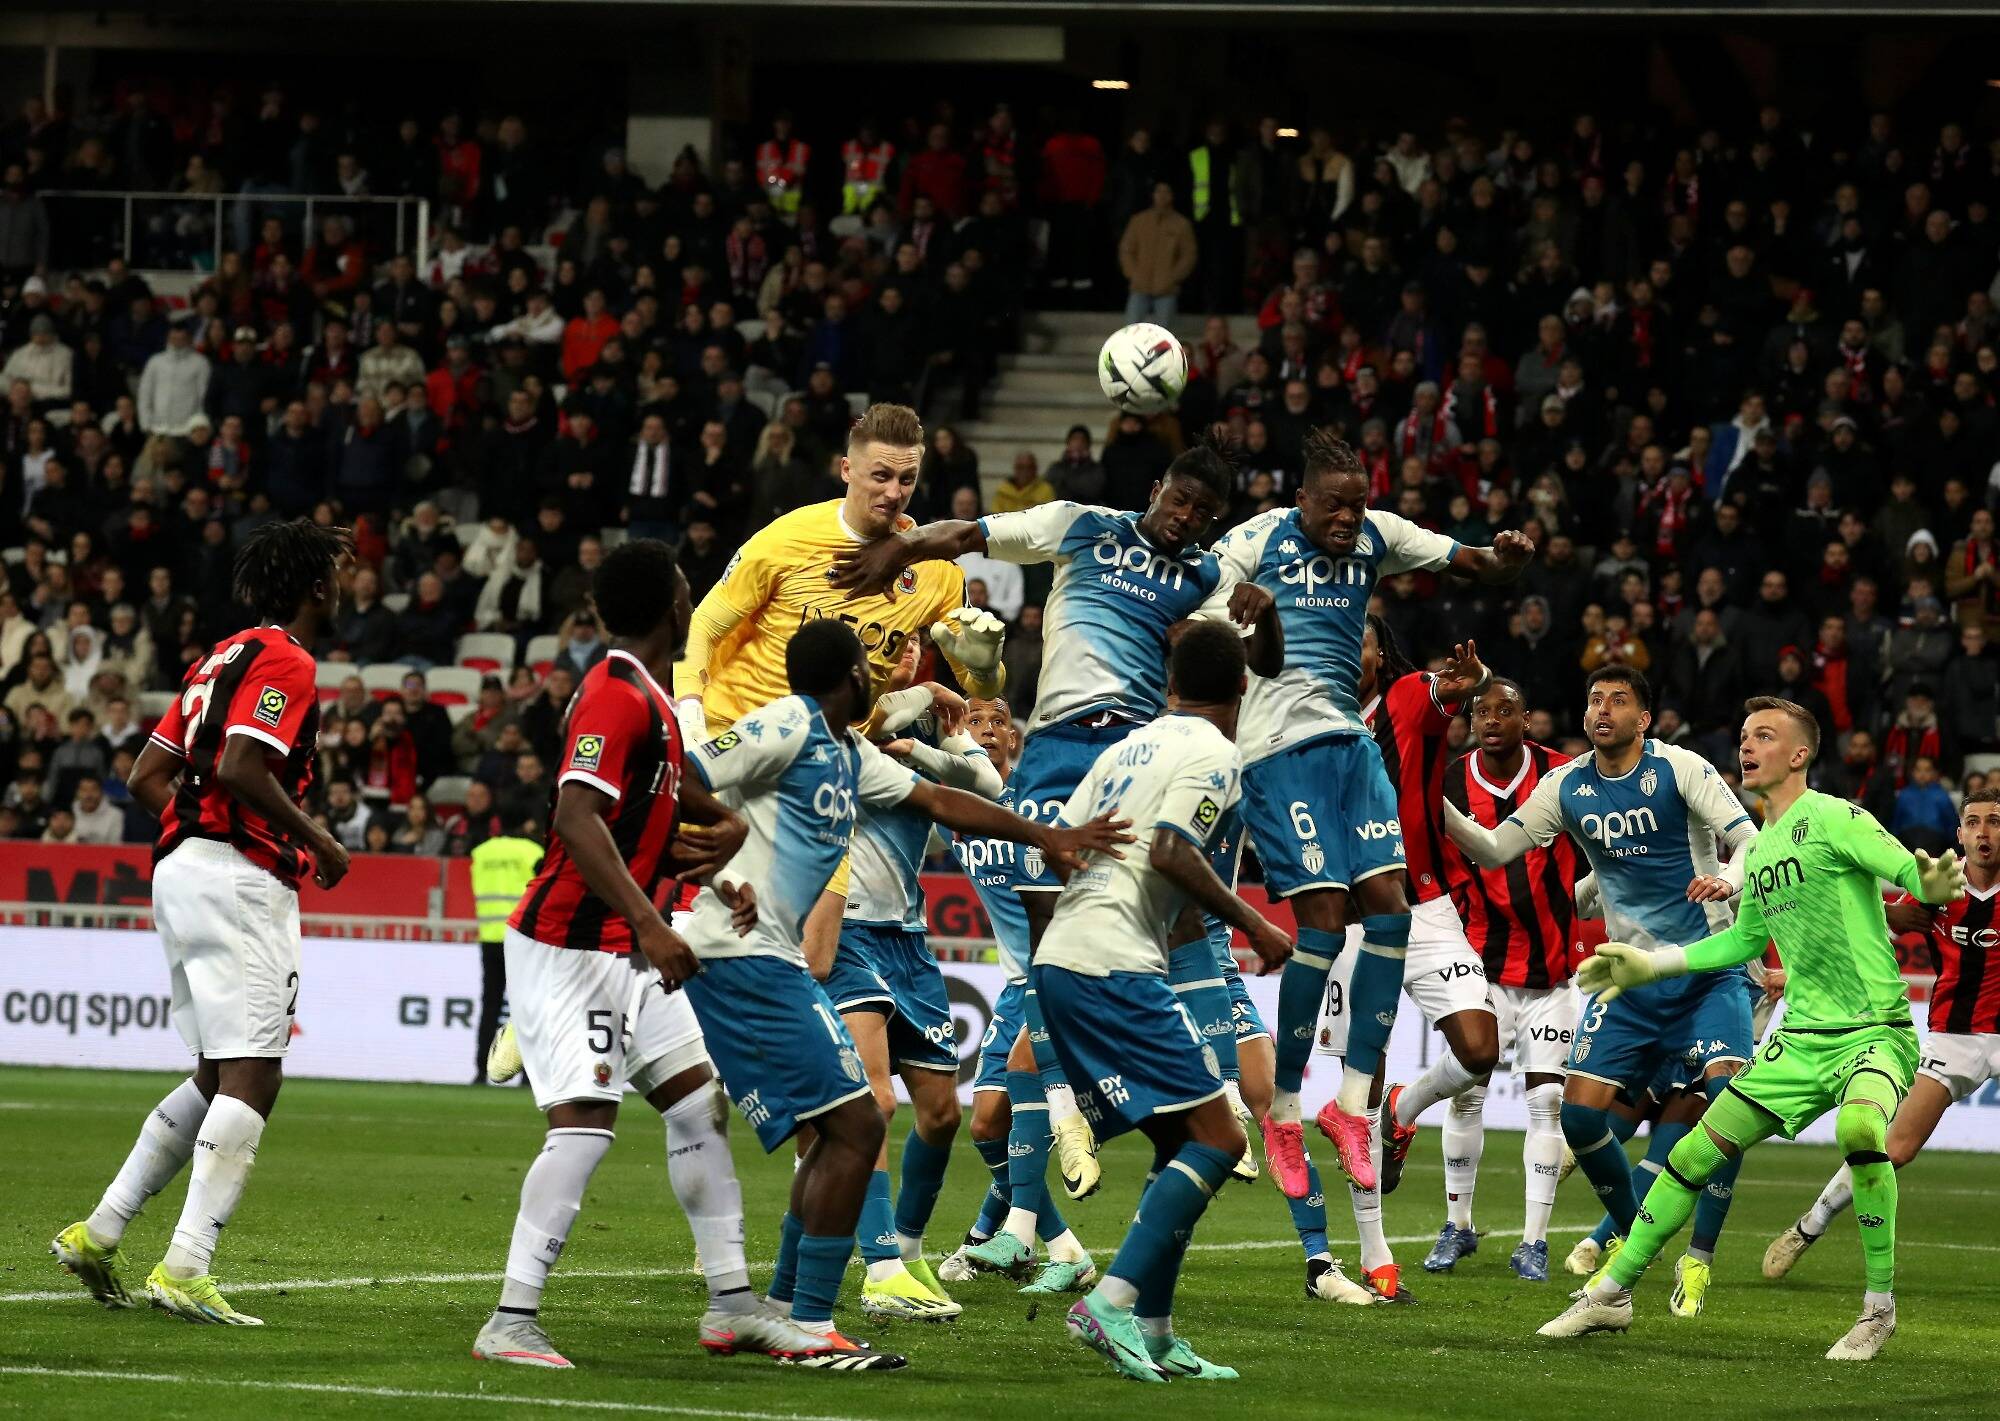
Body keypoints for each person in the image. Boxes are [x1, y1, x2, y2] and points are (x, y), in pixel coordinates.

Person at [829, 436, 1284, 1199]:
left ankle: (1205, 1091)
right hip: (1059, 747)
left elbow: (1254, 661)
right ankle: (1073, 1105)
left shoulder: (1206, 576)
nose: (1186, 519)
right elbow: (973, 536)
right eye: (1180, 501)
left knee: (1156, 924)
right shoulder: (1084, 524)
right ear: (1155, 486)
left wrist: (1261, 617)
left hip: (1135, 756)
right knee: (1048, 926)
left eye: (1204, 512)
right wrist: (897, 549)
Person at [676, 618, 1124, 1364]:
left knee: (850, 1125)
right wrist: (722, 830)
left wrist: (1045, 837)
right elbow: (686, 769)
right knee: (858, 1124)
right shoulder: (785, 723)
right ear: (849, 675)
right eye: (867, 668)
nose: (877, 678)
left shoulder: (847, 753)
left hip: (772, 957)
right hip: (739, 952)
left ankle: (774, 1309)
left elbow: (945, 802)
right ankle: (811, 1317)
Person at [472, 539, 831, 1370]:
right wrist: (649, 922)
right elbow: (573, 816)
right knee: (586, 1128)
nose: (689, 595)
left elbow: (641, 824)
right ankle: (511, 1319)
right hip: (572, 942)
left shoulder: (652, 700)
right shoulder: (613, 694)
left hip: (623, 944)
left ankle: (732, 1305)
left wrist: (715, 870)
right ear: (674, 606)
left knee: (700, 1103)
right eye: (683, 587)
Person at [1540, 697, 1965, 1361]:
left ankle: (1878, 1309)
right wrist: (1651, 963)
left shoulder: (1835, 816)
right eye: (1743, 735)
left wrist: (1931, 882)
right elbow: (1740, 941)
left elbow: (1911, 871)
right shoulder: (1760, 851)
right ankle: (1612, 1293)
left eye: (1765, 735)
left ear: (1799, 754)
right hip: (1799, 1045)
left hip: (1875, 1032)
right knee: (1689, 1157)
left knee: (1860, 1130)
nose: (1747, 745)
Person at [1207, 430, 1531, 1268]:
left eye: (1358, 501)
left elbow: (1468, 561)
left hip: (1350, 751)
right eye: (1335, 504)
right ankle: (1282, 1110)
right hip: (1280, 751)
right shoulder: (1251, 543)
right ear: (1302, 500)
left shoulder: (1380, 535)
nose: (1350, 517)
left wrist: (1502, 554)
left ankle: (1352, 1106)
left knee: (1387, 908)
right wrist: (1248, 616)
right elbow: (1208, 626)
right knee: (1322, 919)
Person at [53, 519, 355, 1324]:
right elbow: (239, 764)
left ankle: (100, 1229)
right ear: (316, 583)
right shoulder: (287, 658)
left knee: (218, 1071)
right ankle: (186, 1265)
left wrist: (197, 826)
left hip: (181, 870)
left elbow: (147, 774)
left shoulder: (216, 657)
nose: (349, 583)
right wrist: (309, 835)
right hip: (234, 878)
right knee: (256, 1072)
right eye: (342, 571)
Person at [1444, 666, 1759, 1318]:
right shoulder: (1567, 785)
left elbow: (1750, 839)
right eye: (1594, 699)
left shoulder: (1681, 770)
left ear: (1645, 718)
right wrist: (1427, 800)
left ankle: (1696, 1257)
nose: (1603, 709)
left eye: (1619, 700)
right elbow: (1497, 847)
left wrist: (1730, 877)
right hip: (1631, 978)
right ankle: (1632, 1238)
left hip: (1705, 970)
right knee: (1581, 1117)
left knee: (1729, 1100)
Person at [1038, 621, 1293, 1382]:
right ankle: (1110, 1300)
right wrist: (1255, 923)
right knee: (1222, 1139)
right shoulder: (1217, 754)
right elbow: (1173, 849)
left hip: (1069, 953)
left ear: (1170, 686)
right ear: (1243, 688)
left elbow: (1062, 848)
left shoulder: (1124, 748)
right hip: (1113, 966)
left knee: (1178, 1141)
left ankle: (1153, 1329)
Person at [1305, 619, 1495, 1297]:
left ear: (1379, 655)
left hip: (1427, 908)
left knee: (1480, 1049)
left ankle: (1405, 1107)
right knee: (1356, 1098)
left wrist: (1460, 689)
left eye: (1358, 640)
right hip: (1356, 925)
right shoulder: (1301, 727)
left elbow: (1442, 697)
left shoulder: (1407, 698)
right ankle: (1377, 1257)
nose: (1344, 651)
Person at [1765, 788, 2000, 1282]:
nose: (1984, 832)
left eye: (1995, 822)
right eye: (1974, 822)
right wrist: (1889, 915)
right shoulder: (1939, 886)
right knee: (1893, 1148)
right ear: (1958, 835)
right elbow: (1865, 927)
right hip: (1955, 1037)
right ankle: (1809, 1226)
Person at [936, 696, 1096, 1296]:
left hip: (1061, 975)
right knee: (986, 1126)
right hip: (1015, 984)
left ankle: (1000, 1237)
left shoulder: (1037, 801)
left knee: (1005, 1112)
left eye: (998, 723)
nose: (984, 731)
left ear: (1016, 742)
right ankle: (1044, 1244)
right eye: (973, 721)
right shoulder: (955, 808)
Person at [1435, 678, 1585, 1282]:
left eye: (1505, 710)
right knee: (1468, 1090)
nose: (1491, 719)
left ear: (1529, 718)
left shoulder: (1565, 775)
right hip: (1481, 965)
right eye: (1481, 711)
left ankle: (1534, 1243)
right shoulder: (1449, 780)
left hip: (1551, 973)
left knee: (1546, 1102)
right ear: (1470, 720)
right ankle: (1457, 1226)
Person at [467, 813, 542, 1084]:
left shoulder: (481, 852)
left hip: (490, 937)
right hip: (522, 939)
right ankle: (526, 1075)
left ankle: (480, 1070)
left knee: (490, 1006)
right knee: (525, 1007)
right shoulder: (532, 851)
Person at [1118, 181, 1197, 324]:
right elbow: (1127, 250)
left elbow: (1188, 255)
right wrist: (1133, 273)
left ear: (1172, 196)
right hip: (1139, 286)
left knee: (1163, 335)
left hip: (1166, 289)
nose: (1162, 196)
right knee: (1131, 330)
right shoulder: (1139, 221)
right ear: (1153, 195)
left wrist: (1173, 277)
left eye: (1166, 192)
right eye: (1158, 192)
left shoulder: (1181, 224)